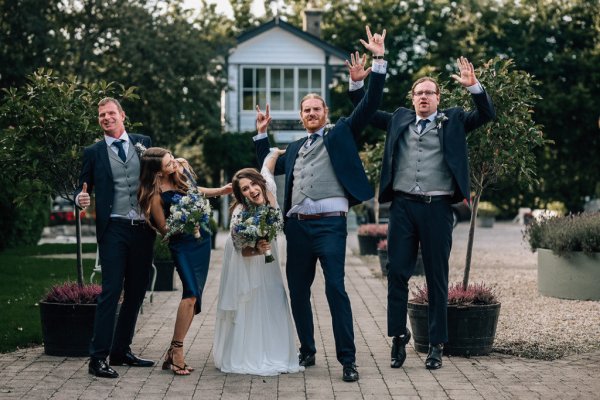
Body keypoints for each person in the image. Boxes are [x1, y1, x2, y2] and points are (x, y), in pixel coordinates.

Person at [252, 26, 388, 382]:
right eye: (306, 110)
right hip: (297, 228)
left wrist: (377, 60)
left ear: (325, 112)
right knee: (297, 290)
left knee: (335, 289)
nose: (311, 113)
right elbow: (267, 166)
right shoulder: (294, 148)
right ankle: (307, 350)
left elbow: (371, 105)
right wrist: (262, 133)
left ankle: (348, 360)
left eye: (316, 108)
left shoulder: (342, 132)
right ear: (300, 116)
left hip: (330, 225)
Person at [348, 56, 496, 370]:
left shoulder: (453, 120)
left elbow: (486, 114)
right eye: (419, 93)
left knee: (437, 277)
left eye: (430, 92)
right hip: (402, 208)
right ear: (412, 99)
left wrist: (474, 87)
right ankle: (398, 337)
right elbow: (364, 111)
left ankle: (436, 345)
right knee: (397, 273)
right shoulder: (398, 119)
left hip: (438, 209)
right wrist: (358, 83)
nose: (424, 97)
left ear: (438, 99)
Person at [76, 97, 155, 378]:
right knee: (111, 292)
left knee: (136, 290)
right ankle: (97, 359)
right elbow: (82, 186)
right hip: (114, 229)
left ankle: (121, 351)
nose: (106, 118)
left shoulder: (142, 142)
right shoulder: (93, 152)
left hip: (143, 229)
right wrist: (80, 197)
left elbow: (159, 176)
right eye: (101, 115)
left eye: (111, 113)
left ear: (122, 115)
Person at [137, 147, 231, 375]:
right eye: (168, 164)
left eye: (172, 161)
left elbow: (197, 192)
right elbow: (164, 230)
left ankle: (174, 350)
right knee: (189, 293)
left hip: (201, 242)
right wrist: (187, 222)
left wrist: (223, 190)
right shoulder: (155, 196)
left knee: (194, 296)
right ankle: (176, 350)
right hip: (182, 246)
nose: (173, 165)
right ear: (156, 172)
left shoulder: (178, 178)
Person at [213, 149, 304, 376]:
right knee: (251, 303)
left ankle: (277, 351)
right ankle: (249, 353)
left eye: (253, 184)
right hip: (247, 261)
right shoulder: (240, 214)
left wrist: (279, 151)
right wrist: (256, 248)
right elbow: (239, 251)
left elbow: (269, 163)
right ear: (241, 195)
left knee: (275, 298)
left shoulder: (269, 189)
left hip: (269, 261)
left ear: (259, 182)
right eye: (244, 189)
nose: (252, 190)